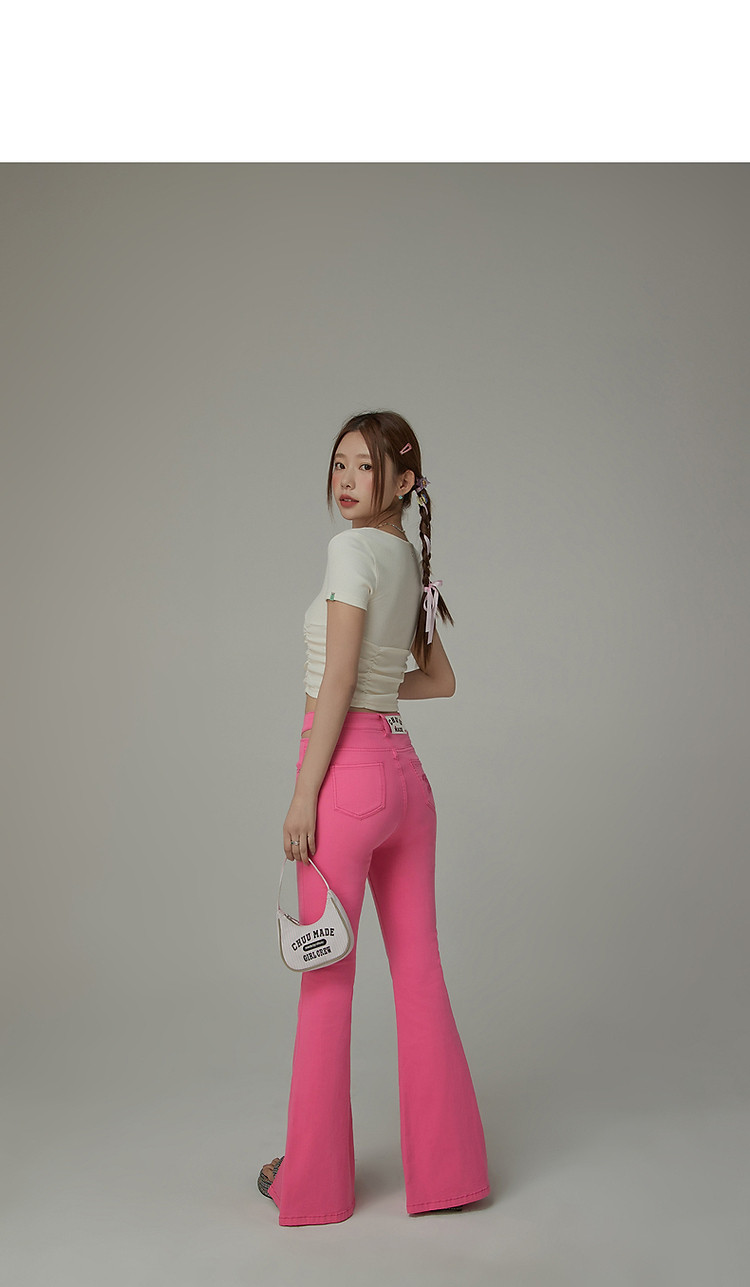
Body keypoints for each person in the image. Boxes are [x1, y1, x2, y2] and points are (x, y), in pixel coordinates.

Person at [258, 410, 490, 1226]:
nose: (347, 480)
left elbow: (340, 675)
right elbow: (440, 679)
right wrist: (375, 690)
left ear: (404, 480)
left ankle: (312, 1185)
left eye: (366, 465)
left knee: (325, 975)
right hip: (405, 780)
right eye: (340, 464)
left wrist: (303, 793)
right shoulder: (408, 559)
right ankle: (452, 1173)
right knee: (419, 972)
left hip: (347, 779)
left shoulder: (351, 551)